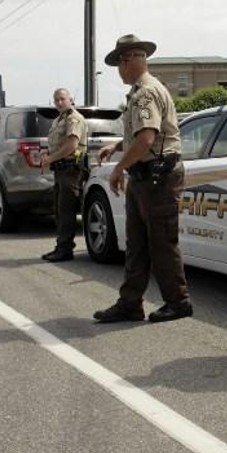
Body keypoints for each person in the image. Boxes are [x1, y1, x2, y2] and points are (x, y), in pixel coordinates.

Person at [92, 34, 193, 324]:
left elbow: (147, 139)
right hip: (146, 177)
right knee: (136, 243)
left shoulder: (145, 93)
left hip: (157, 177)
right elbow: (144, 134)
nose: (119, 71)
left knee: (161, 242)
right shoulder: (144, 90)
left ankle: (178, 302)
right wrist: (118, 146)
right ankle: (130, 303)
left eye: (119, 64)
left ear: (128, 61)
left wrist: (118, 168)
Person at [39, 87, 87, 262]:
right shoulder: (59, 120)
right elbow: (58, 144)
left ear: (70, 100)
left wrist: (50, 158)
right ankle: (61, 246)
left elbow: (72, 145)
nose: (59, 102)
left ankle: (65, 249)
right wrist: (47, 154)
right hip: (60, 170)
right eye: (56, 100)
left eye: (62, 99)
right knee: (60, 211)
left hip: (71, 169)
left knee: (66, 211)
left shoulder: (74, 118)